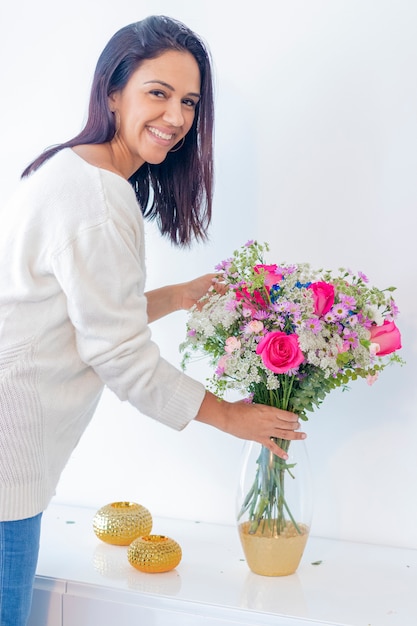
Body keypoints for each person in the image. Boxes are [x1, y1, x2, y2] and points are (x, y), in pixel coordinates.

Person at [0, 15, 306, 626]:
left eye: (189, 101)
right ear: (113, 93)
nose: (176, 117)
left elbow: (82, 313)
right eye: (157, 93)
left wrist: (177, 295)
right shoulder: (99, 195)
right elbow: (116, 353)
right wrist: (230, 416)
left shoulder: (69, 169)